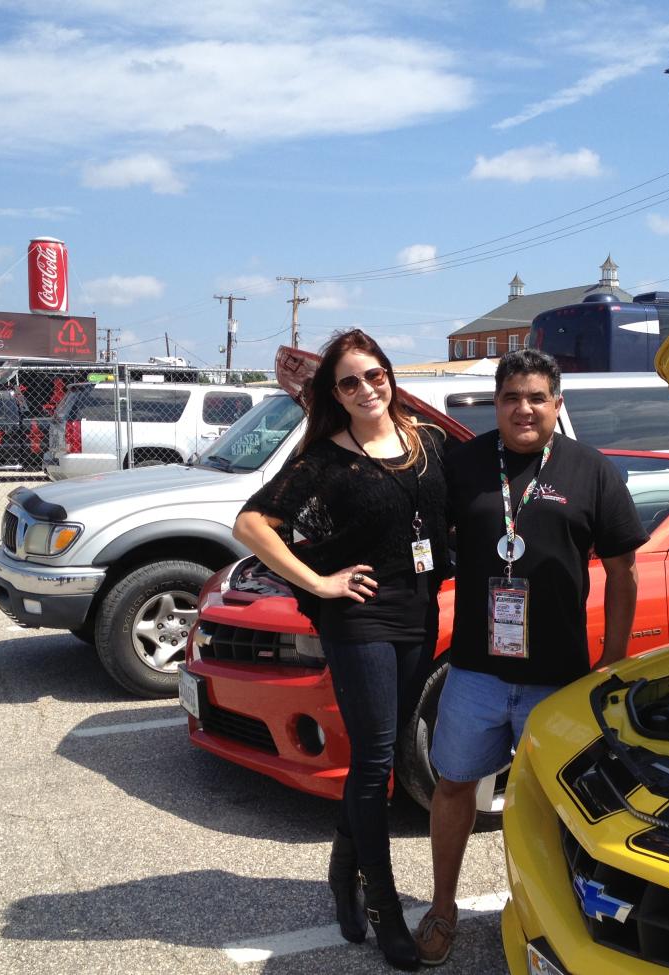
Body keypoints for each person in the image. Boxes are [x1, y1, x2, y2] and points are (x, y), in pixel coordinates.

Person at [414, 349, 647, 965]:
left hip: (559, 679)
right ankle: (442, 908)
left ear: (557, 404)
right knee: (454, 786)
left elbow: (624, 572)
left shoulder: (591, 470)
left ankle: (561, 924)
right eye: (511, 397)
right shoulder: (464, 465)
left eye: (537, 397)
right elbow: (417, 534)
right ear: (496, 404)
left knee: (561, 805)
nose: (524, 409)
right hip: (475, 672)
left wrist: (613, 659)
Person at [233, 330, 449, 972]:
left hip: (419, 610)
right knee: (377, 759)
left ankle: (341, 867)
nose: (365, 389)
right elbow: (251, 524)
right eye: (349, 381)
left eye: (373, 375)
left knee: (386, 749)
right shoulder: (327, 459)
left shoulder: (427, 442)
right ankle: (382, 906)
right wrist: (319, 582)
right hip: (358, 617)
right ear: (335, 393)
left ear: (390, 375)